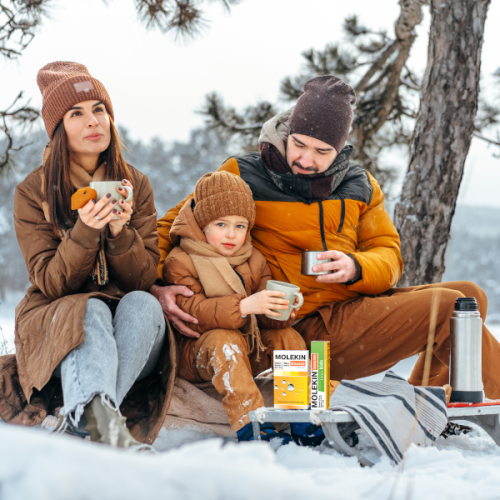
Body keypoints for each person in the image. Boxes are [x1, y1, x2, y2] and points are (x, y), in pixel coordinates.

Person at [152, 74, 500, 399]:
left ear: (340, 149)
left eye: (322, 152)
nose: (305, 159)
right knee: (455, 306)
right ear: (288, 134)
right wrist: (155, 285)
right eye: (299, 145)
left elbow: (388, 253)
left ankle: (428, 402)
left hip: (349, 315)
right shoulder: (242, 174)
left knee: (471, 298)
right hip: (289, 327)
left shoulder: (360, 185)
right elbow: (172, 226)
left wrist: (355, 267)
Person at [0, 61, 175, 448]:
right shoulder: (34, 192)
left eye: (99, 109)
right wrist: (85, 231)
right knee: (89, 309)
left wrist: (118, 233)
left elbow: (142, 279)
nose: (93, 121)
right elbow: (50, 282)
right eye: (76, 114)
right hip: (57, 324)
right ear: (59, 129)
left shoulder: (134, 184)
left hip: (127, 335)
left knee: (144, 304)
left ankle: (88, 416)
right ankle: (100, 424)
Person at [163, 170, 318, 443]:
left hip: (248, 345)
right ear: (202, 224)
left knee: (287, 337)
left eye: (240, 226)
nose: (231, 235)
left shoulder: (254, 258)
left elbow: (268, 320)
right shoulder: (181, 259)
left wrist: (283, 310)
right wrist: (244, 306)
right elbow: (193, 313)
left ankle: (301, 415)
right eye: (221, 224)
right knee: (226, 339)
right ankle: (252, 422)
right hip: (197, 351)